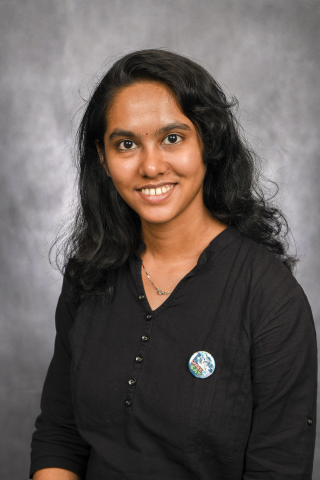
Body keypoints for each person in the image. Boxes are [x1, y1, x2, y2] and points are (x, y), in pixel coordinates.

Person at [30, 49, 317, 480]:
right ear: (104, 159)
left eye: (172, 138)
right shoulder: (88, 275)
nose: (150, 166)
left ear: (209, 142)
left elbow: (278, 468)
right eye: (126, 144)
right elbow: (61, 435)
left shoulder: (270, 299)